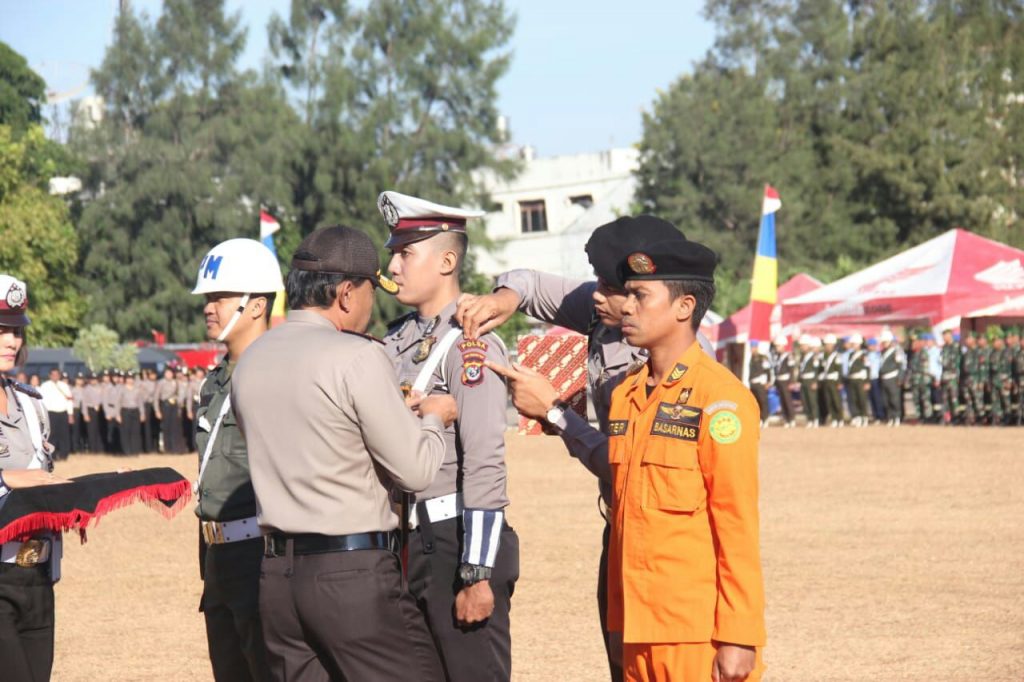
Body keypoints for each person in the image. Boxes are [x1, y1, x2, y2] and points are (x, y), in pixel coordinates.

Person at [456, 215, 700, 682]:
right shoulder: (602, 312)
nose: (596, 294)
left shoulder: (678, 367)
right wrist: (504, 299)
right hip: (622, 530)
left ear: (647, 294)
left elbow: (627, 466)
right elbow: (526, 283)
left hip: (668, 541)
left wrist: (555, 414)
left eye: (611, 287)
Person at [232, 225, 452, 681]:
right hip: (351, 574)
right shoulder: (356, 357)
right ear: (347, 294)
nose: (373, 304)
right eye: (372, 289)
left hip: (276, 577)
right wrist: (433, 419)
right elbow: (416, 470)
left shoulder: (251, 360)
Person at [603, 239, 766, 681]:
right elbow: (624, 522)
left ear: (684, 307)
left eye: (640, 296)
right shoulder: (625, 395)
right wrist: (618, 622)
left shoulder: (721, 400)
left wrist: (739, 633)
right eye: (628, 294)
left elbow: (736, 523)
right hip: (638, 629)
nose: (627, 307)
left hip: (696, 635)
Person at [379, 191, 518, 682]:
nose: (393, 265)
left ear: (446, 260)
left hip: (455, 539)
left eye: (405, 253)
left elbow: (484, 456)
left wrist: (477, 570)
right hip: (404, 541)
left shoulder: (471, 343)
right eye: (393, 252)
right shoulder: (396, 341)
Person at [188, 238, 284, 682]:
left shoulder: (281, 373)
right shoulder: (214, 382)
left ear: (256, 306)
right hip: (218, 556)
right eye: (208, 298)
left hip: (262, 556)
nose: (210, 307)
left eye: (220, 298)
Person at [0, 274, 71, 682]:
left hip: (37, 575)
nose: (12, 341)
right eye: (2, 329)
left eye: (16, 330)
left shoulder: (32, 405)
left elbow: (44, 480)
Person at [38, 368, 73, 461]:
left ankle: (64, 455)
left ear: (59, 375)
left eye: (57, 374)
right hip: (51, 413)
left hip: (62, 412)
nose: (55, 376)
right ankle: (52, 455)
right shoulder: (44, 386)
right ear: (50, 375)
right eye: (53, 374)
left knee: (64, 435)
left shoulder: (64, 385)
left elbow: (69, 400)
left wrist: (70, 414)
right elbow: (41, 401)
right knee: (52, 435)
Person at [155, 367, 186, 453]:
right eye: (167, 373)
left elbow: (181, 395)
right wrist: (157, 410)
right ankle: (167, 448)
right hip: (165, 406)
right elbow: (156, 397)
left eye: (170, 373)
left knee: (175, 427)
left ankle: (175, 448)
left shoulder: (176, 382)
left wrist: (179, 405)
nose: (168, 375)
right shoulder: (161, 383)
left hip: (174, 406)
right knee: (166, 427)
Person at [115, 373, 145, 455]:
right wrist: (117, 415)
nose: (130, 380)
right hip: (125, 411)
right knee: (126, 432)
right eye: (128, 378)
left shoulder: (137, 389)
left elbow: (140, 403)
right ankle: (127, 451)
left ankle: (135, 451)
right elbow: (118, 402)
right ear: (126, 379)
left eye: (131, 378)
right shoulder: (121, 389)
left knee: (135, 432)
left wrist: (142, 414)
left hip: (135, 411)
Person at [844, 334, 870, 427]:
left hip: (860, 379)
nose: (853, 345)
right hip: (852, 379)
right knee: (854, 399)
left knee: (861, 399)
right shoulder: (851, 354)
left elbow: (867, 368)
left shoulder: (863, 354)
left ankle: (865, 417)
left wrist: (867, 381)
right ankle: (857, 416)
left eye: (854, 344)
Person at [771, 336, 797, 428]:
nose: (777, 348)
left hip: (786, 381)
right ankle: (786, 418)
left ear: (783, 346)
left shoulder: (788, 356)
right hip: (779, 381)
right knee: (782, 401)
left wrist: (791, 382)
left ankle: (792, 419)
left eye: (778, 346)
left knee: (787, 400)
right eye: (776, 346)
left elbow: (791, 370)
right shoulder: (776, 357)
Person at [819, 334, 843, 427]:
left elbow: (839, 370)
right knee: (828, 400)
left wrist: (839, 382)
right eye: (826, 344)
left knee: (836, 400)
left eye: (829, 344)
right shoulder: (823, 356)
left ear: (833, 345)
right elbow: (821, 369)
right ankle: (834, 418)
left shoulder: (836, 355)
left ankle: (839, 418)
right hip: (826, 380)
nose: (827, 346)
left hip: (834, 380)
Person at [797, 335, 821, 428]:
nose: (802, 347)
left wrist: (815, 382)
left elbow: (816, 370)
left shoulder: (813, 356)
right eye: (801, 345)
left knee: (812, 401)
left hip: (811, 381)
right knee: (805, 401)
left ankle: (815, 419)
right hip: (804, 381)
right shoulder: (802, 357)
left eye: (803, 345)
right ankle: (809, 419)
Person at [989, 330, 1012, 426]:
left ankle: (1008, 419)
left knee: (1005, 401)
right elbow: (989, 369)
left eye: (996, 341)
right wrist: (989, 382)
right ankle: (997, 419)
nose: (994, 343)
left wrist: (1009, 381)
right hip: (994, 381)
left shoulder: (1006, 353)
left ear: (1001, 342)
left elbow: (1010, 369)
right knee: (995, 401)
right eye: (993, 341)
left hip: (1004, 381)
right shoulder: (992, 353)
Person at [747, 341, 773, 427]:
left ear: (757, 347)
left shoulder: (762, 358)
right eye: (751, 347)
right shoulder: (751, 358)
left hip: (760, 383)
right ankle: (760, 419)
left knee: (763, 401)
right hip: (753, 383)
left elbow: (768, 370)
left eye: (753, 347)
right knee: (756, 403)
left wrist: (768, 382)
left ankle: (765, 418)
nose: (752, 349)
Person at [960, 333, 983, 425]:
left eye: (969, 338)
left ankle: (981, 418)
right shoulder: (965, 353)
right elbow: (962, 368)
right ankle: (971, 418)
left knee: (977, 399)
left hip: (975, 378)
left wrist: (981, 381)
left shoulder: (978, 352)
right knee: (968, 400)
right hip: (966, 379)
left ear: (974, 340)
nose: (967, 341)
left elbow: (982, 368)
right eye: (966, 339)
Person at [939, 329, 961, 425]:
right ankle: (946, 418)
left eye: (946, 335)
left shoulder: (956, 347)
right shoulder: (944, 348)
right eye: (943, 336)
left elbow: (957, 362)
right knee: (944, 399)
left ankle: (956, 418)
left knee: (954, 398)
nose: (944, 338)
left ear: (950, 336)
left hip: (953, 376)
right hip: (944, 377)